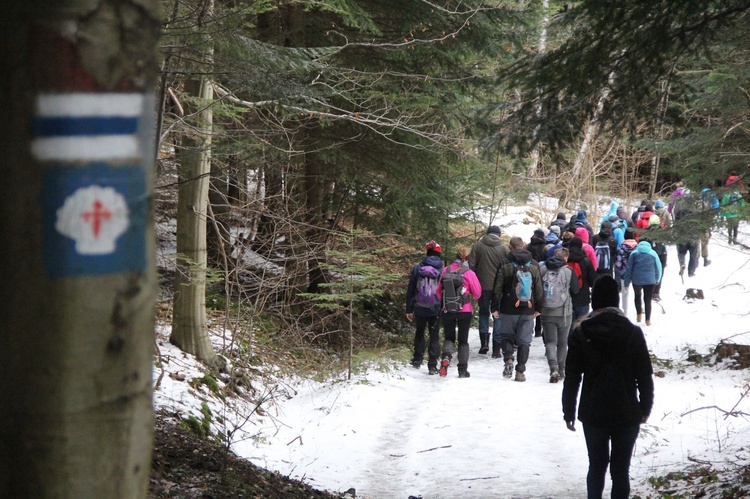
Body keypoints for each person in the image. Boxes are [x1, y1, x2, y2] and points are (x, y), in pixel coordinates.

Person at [563, 275, 654, 499]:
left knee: (596, 465)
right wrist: (645, 408)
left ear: (595, 302)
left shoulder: (581, 332)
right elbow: (644, 375)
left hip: (593, 410)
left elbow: (572, 377)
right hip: (627, 410)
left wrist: (569, 411)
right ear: (615, 300)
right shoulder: (633, 332)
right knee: (621, 470)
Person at [491, 236, 543, 382]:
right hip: (528, 307)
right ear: (524, 246)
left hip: (508, 307)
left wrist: (494, 307)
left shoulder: (504, 263)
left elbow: (497, 288)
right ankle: (520, 371)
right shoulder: (533, 264)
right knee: (524, 341)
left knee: (506, 335)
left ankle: (508, 359)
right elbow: (539, 288)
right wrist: (539, 307)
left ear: (510, 247)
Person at [436, 246, 482, 378]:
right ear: (467, 258)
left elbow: (438, 292)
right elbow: (478, 294)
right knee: (463, 340)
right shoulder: (469, 273)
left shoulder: (446, 270)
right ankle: (462, 370)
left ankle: (446, 358)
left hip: (447, 309)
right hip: (465, 310)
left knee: (449, 337)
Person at [539, 247, 580, 383]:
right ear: (565, 258)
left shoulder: (543, 269)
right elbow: (575, 289)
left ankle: (553, 368)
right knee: (562, 343)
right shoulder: (568, 271)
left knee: (550, 342)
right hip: (564, 312)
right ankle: (562, 371)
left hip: (546, 311)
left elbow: (538, 291)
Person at [468, 225, 510, 356]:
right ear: (499, 234)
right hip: (499, 287)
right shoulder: (504, 248)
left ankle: (484, 344)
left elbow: (471, 265)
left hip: (482, 286)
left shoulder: (477, 246)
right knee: (498, 315)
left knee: (483, 313)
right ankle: (496, 349)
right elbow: (508, 267)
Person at [405, 241, 443, 373]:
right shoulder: (442, 269)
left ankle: (417, 360)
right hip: (435, 307)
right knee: (434, 335)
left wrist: (409, 309)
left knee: (420, 332)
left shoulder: (418, 268)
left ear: (427, 253)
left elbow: (411, 289)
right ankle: (432, 365)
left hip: (419, 307)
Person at [623, 239, 662, 326]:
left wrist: (626, 282)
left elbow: (629, 269)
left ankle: (639, 316)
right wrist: (657, 278)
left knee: (637, 296)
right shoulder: (653, 253)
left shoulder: (634, 253)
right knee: (647, 300)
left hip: (637, 279)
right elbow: (658, 267)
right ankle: (648, 320)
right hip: (650, 280)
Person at [567, 236, 599, 335]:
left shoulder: (565, 260)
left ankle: (570, 343)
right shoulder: (585, 260)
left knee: (569, 325)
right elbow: (593, 280)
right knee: (581, 323)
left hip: (567, 297)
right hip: (583, 297)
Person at [642, 215, 668, 302]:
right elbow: (665, 244)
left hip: (649, 256)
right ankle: (656, 292)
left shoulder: (646, 233)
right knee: (659, 274)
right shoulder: (663, 232)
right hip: (661, 255)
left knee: (650, 274)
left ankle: (650, 291)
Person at [614, 228, 638, 316]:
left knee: (625, 293)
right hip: (636, 273)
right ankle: (639, 309)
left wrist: (619, 270)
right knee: (638, 292)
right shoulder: (637, 247)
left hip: (624, 273)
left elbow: (618, 262)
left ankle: (625, 311)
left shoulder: (622, 247)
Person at [699, 187, 720, 266]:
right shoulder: (712, 196)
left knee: (702, 240)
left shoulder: (699, 202)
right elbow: (716, 204)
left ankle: (699, 259)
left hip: (699, 223)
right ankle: (705, 259)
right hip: (706, 221)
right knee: (704, 240)